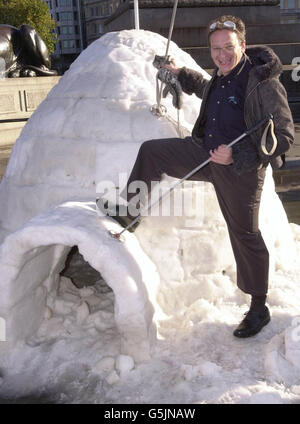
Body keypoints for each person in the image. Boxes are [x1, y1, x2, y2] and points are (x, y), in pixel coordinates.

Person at [98, 15, 294, 338]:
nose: (221, 55)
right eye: (216, 49)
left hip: (240, 170)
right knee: (152, 152)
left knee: (245, 234)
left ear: (242, 46)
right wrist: (181, 75)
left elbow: (285, 135)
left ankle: (259, 308)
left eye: (228, 48)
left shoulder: (262, 82)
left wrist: (237, 155)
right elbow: (209, 90)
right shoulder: (222, 74)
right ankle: (130, 212)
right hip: (205, 153)